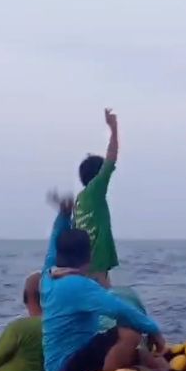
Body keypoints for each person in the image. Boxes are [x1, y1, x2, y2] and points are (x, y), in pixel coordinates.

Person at [40, 196, 165, 371]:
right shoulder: (79, 285)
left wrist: (63, 216)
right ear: (88, 257)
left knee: (139, 353)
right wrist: (155, 330)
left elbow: (53, 245)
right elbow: (120, 310)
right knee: (130, 331)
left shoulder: (47, 277)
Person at [73, 108, 121, 288]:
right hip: (96, 265)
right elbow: (111, 158)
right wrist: (114, 129)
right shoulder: (95, 191)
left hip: (82, 265)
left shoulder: (80, 200)